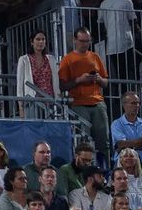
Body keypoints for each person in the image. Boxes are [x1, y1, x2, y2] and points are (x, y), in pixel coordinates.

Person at [59, 27, 111, 164]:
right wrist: (79, 80)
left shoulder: (95, 57)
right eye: (82, 41)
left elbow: (106, 82)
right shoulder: (68, 59)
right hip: (79, 103)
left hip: (98, 102)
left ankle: (104, 168)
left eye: (87, 41)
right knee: (83, 141)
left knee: (103, 140)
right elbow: (62, 85)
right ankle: (83, 168)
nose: (85, 44)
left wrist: (99, 79)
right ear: (74, 40)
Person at [16, 30, 61, 117]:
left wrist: (57, 99)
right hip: (32, 101)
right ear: (32, 42)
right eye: (38, 39)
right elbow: (20, 86)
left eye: (43, 39)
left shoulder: (51, 59)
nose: (41, 42)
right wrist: (21, 108)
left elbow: (55, 81)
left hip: (49, 102)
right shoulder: (24, 59)